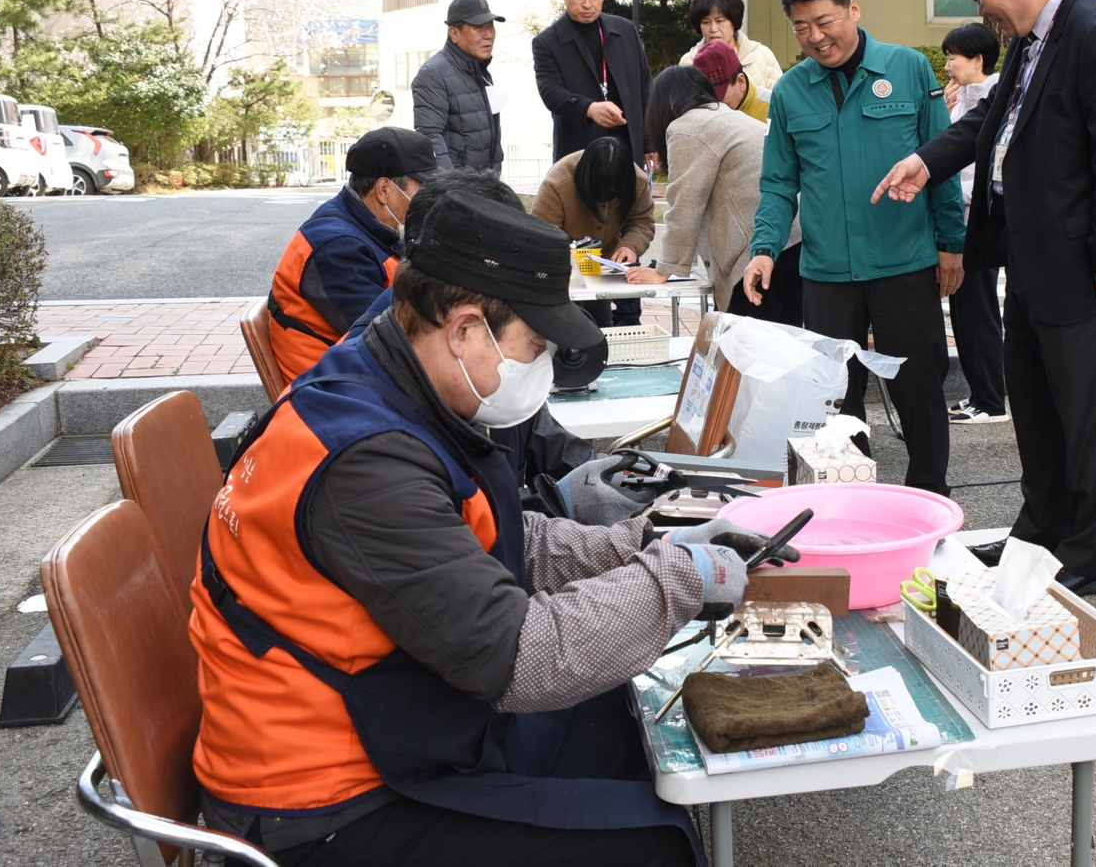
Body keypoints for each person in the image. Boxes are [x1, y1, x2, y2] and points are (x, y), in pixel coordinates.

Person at [191, 189, 797, 867]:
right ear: (465, 329)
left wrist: (644, 542)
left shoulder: (394, 379)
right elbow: (517, 657)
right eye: (533, 345)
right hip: (326, 803)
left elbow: (500, 539)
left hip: (397, 715)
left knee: (619, 718)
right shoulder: (365, 464)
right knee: (651, 844)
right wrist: (676, 581)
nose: (540, 366)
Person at [871, 0, 1096, 595]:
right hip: (1030, 257)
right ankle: (1041, 533)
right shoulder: (1035, 40)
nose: (982, 13)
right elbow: (988, 122)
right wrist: (926, 160)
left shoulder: (1095, 30)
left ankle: (1090, 557)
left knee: (1089, 416)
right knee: (1035, 408)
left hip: (1087, 267)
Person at [743, 0, 964, 495]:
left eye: (824, 21)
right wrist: (765, 249)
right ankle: (851, 502)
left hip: (904, 266)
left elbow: (942, 163)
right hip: (827, 274)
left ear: (853, 10)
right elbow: (778, 185)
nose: (816, 37)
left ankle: (928, 496)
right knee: (834, 403)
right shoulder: (791, 91)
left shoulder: (909, 69)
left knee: (920, 392)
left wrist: (951, 242)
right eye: (801, 27)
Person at [343, 169, 611, 492]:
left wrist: (612, 480)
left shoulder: (487, 347)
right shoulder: (373, 439)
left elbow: (541, 439)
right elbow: (464, 528)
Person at [626, 66, 803, 324]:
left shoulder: (687, 127)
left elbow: (685, 203)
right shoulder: (728, 116)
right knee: (787, 347)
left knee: (749, 351)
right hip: (793, 240)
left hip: (756, 252)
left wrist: (663, 271)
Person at [267, 127, 437, 384]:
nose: (428, 200)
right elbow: (388, 340)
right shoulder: (337, 247)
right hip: (332, 390)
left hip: (352, 372)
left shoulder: (367, 224)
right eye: (422, 190)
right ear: (384, 190)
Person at [936, 23, 1008, 426]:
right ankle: (979, 394)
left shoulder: (994, 99)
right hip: (959, 222)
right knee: (963, 309)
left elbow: (977, 169)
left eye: (953, 57)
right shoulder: (962, 98)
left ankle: (992, 400)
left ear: (978, 60)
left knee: (978, 309)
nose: (947, 65)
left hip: (976, 222)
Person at [532, 0, 652, 166]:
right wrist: (589, 109)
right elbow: (550, 92)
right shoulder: (547, 42)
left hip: (628, 152)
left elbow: (646, 91)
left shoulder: (625, 30)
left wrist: (649, 143)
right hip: (579, 154)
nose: (587, 4)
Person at [530, 136, 655, 328]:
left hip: (607, 267)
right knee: (568, 325)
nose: (608, 194)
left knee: (602, 325)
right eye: (602, 190)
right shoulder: (558, 182)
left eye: (614, 191)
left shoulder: (637, 181)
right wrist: (566, 260)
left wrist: (630, 246)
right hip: (564, 269)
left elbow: (642, 222)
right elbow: (542, 233)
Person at [412, 0, 505, 174]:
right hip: (457, 192)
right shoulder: (433, 73)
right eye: (479, 28)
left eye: (490, 26)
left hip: (486, 187)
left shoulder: (481, 70)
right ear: (454, 33)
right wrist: (451, 190)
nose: (488, 35)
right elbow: (430, 138)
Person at [678, 0, 783, 93]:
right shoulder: (688, 62)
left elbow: (780, 101)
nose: (713, 29)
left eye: (720, 21)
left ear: (734, 20)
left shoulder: (761, 55)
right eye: (706, 22)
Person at [691, 38, 769, 122]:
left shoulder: (775, 107)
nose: (714, 105)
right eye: (706, 97)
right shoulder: (696, 113)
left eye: (719, 96)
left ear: (741, 82)